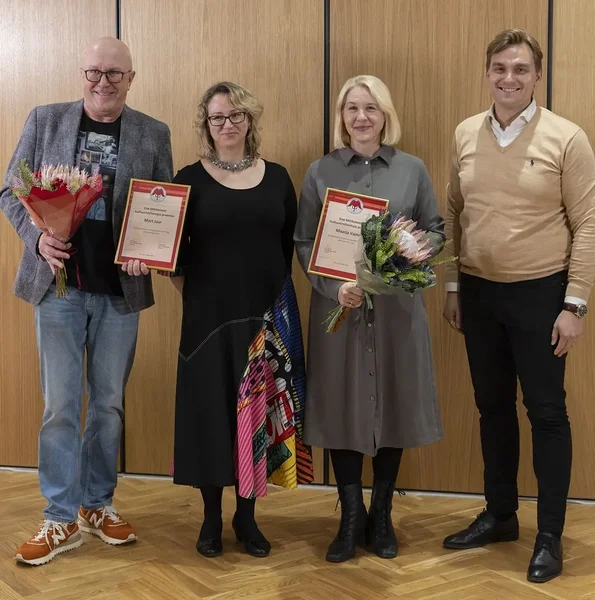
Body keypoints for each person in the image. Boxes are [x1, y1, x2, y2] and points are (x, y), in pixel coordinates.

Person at [0, 37, 173, 565]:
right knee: (59, 407)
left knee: (108, 404)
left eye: (114, 74)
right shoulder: (45, 119)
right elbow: (10, 191)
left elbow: (165, 205)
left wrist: (153, 252)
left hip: (120, 291)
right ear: (83, 73)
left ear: (131, 78)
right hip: (58, 288)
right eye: (94, 71)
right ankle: (59, 517)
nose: (103, 82)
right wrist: (36, 240)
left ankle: (97, 505)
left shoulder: (153, 133)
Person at [442, 29, 595, 584]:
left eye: (521, 69)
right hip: (479, 295)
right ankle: (501, 515)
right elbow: (455, 213)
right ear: (487, 73)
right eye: (500, 68)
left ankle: (549, 535)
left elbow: (589, 224)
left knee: (547, 414)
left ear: (537, 76)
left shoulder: (567, 138)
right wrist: (454, 287)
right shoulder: (463, 133)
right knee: (492, 409)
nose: (509, 78)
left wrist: (574, 305)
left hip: (541, 294)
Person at [294, 75, 445, 563]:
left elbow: (435, 232)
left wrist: (409, 255)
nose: (361, 117)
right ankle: (349, 517)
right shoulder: (320, 171)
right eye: (352, 108)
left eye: (371, 108)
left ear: (386, 115)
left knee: (393, 408)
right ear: (341, 117)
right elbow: (303, 242)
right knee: (341, 409)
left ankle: (381, 516)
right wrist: (332, 286)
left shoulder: (412, 169)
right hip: (341, 309)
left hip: (397, 312)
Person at [167, 81, 311, 559]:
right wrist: (199, 296)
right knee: (210, 413)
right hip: (208, 320)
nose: (227, 125)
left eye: (235, 116)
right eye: (217, 118)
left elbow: (289, 243)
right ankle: (211, 517)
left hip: (264, 317)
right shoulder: (186, 178)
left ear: (250, 120)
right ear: (206, 126)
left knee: (256, 417)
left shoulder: (278, 177)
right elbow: (171, 256)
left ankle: (246, 518)